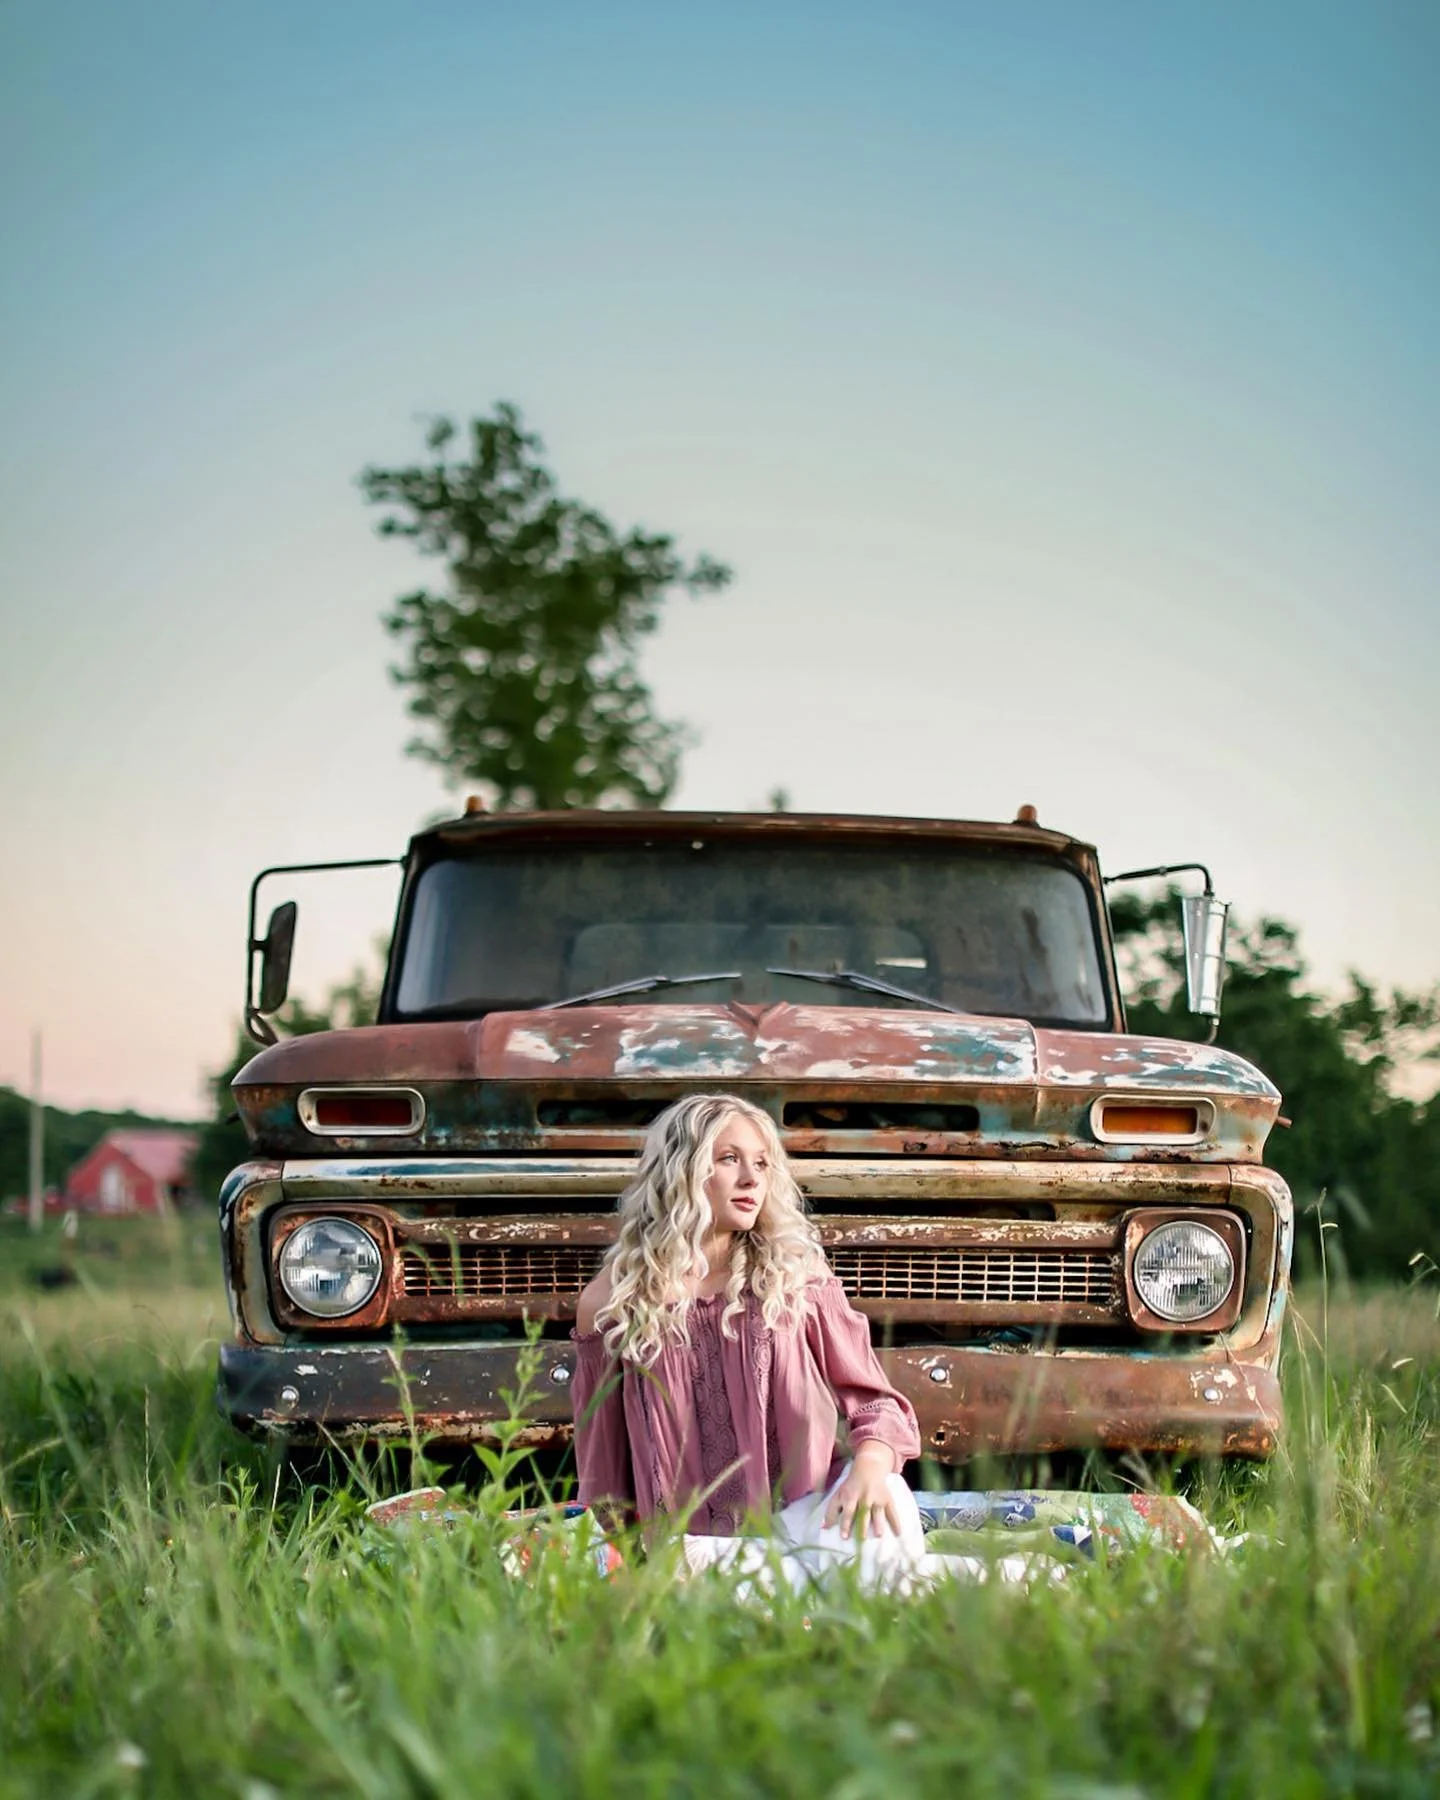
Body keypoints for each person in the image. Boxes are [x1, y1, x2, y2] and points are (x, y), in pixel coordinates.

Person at [571, 1092, 930, 1586]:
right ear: (682, 1171)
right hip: (696, 1551)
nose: (751, 1178)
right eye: (728, 1159)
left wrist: (871, 1467)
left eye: (761, 1163)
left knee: (882, 1505)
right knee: (770, 1594)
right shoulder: (613, 1300)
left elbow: (876, 1405)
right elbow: (602, 1465)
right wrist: (621, 1562)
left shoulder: (796, 1277)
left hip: (813, 1521)